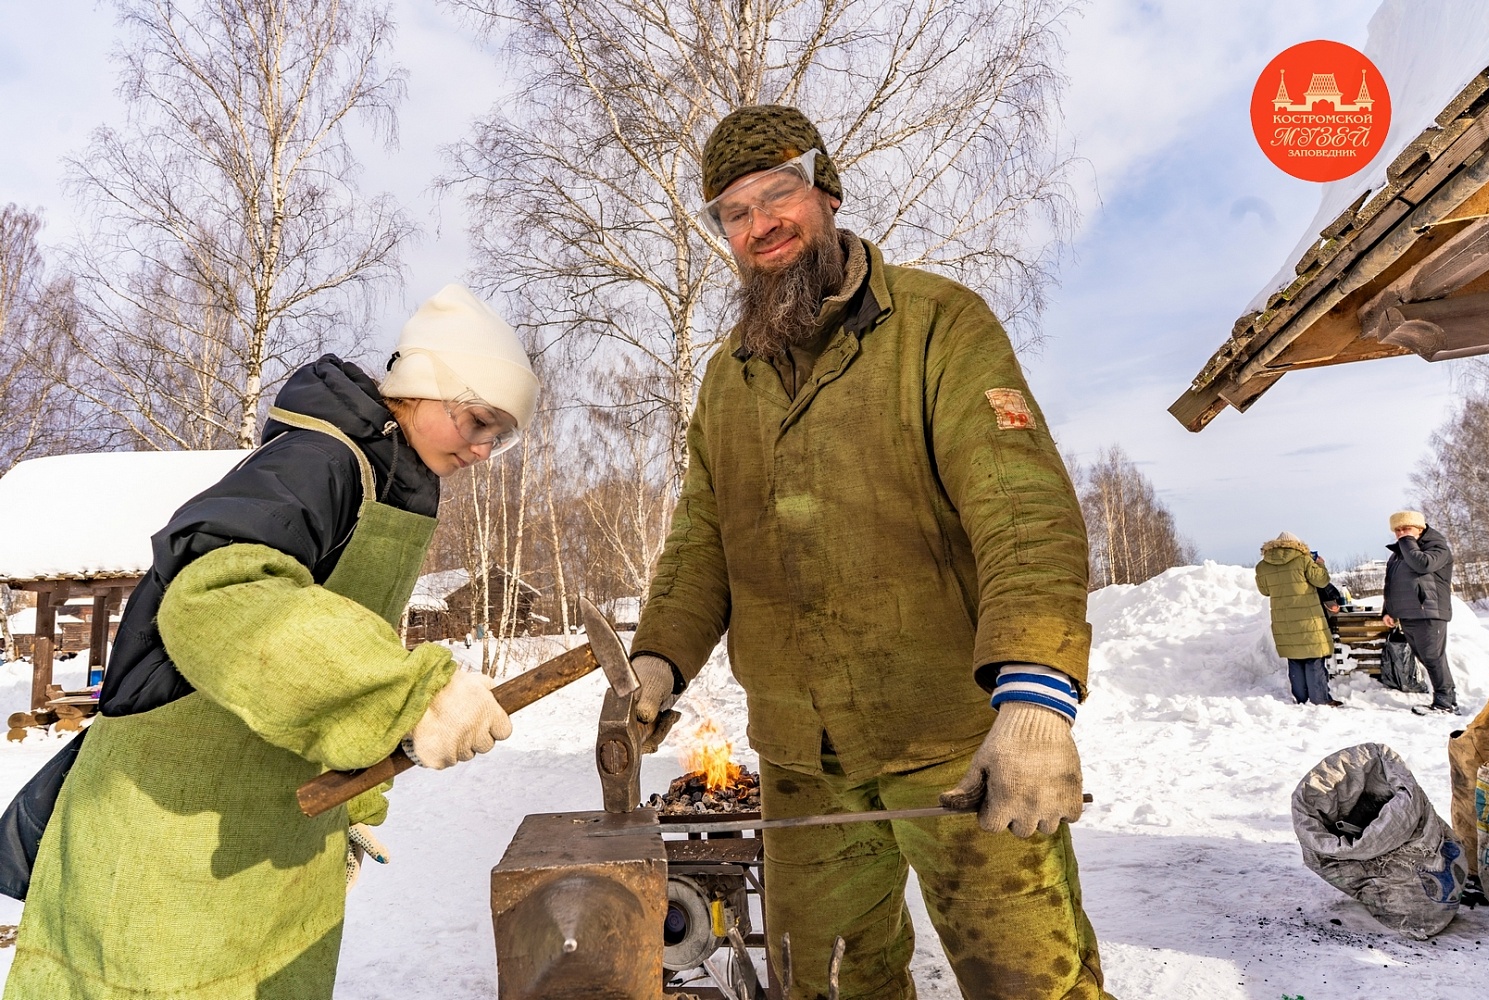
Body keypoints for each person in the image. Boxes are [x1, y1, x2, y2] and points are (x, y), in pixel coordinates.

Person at [627, 106, 1109, 1000]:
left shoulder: (938, 327)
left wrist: (1036, 698)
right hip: (803, 765)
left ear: (828, 192)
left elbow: (1024, 512)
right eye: (734, 212)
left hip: (953, 739)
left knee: (1031, 982)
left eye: (778, 194)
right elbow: (702, 537)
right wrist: (658, 659)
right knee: (834, 983)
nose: (760, 223)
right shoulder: (728, 375)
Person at [0, 284, 537, 999]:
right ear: (422, 388)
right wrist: (403, 694)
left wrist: (356, 797)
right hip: (165, 835)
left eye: (498, 436)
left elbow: (323, 644)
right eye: (476, 420)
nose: (482, 448)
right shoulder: (321, 460)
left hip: (264, 825)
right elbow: (217, 593)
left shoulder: (393, 481)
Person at [1381, 510, 1459, 715]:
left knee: (1433, 657)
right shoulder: (1397, 555)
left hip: (1429, 611)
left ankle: (1445, 702)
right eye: (1397, 530)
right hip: (1408, 614)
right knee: (1426, 658)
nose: (1401, 533)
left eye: (1406, 528)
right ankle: (1445, 699)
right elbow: (1390, 584)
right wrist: (1388, 610)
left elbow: (1422, 564)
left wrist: (1406, 541)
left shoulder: (1437, 547)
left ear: (1420, 528)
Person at [1254, 532, 1341, 706]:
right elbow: (1321, 581)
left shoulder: (1262, 566)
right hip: (1308, 618)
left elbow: (1265, 591)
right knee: (1314, 658)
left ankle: (1301, 699)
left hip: (1283, 620)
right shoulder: (1303, 559)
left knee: (1295, 658)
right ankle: (1320, 699)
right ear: (1296, 544)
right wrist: (1321, 565)